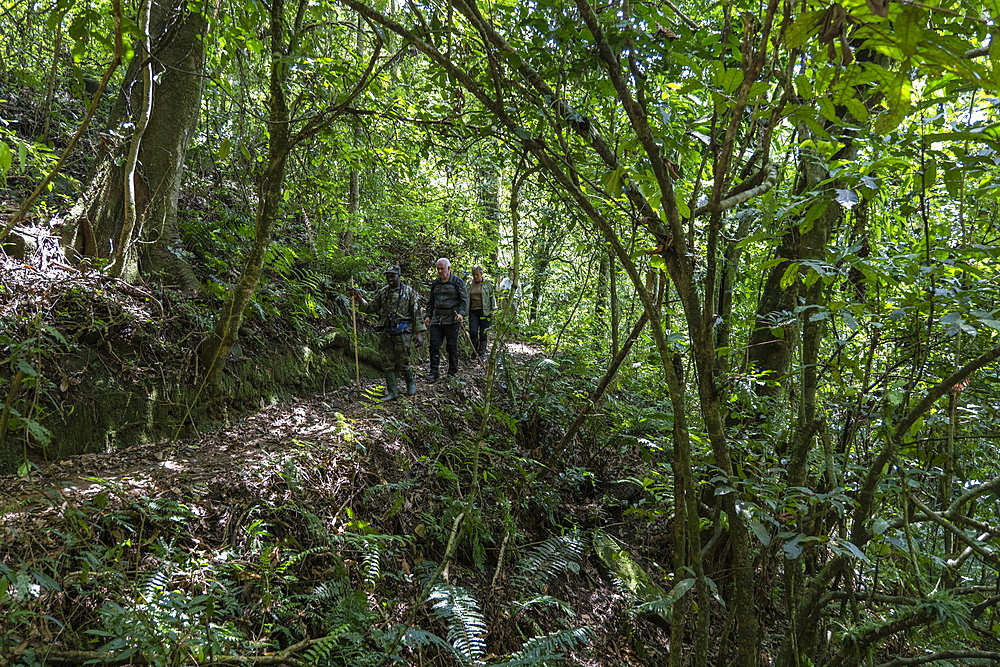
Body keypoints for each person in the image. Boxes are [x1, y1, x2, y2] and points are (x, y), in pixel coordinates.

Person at [351, 265, 425, 400]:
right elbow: (372, 307)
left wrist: (418, 333)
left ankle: (411, 384)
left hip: (403, 331)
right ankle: (392, 391)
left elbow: (416, 313)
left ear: (399, 276)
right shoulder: (383, 292)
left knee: (404, 360)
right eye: (388, 276)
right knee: (387, 361)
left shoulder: (409, 292)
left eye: (393, 276)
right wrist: (358, 298)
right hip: (386, 330)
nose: (390, 279)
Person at [423, 257, 468, 382]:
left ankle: (452, 373)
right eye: (438, 269)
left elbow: (464, 299)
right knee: (434, 345)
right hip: (437, 319)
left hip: (452, 319)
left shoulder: (457, 282)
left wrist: (461, 314)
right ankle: (433, 372)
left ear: (448, 268)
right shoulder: (435, 283)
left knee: (451, 346)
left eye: (442, 268)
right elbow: (430, 301)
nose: (439, 271)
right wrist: (428, 315)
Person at [468, 265, 495, 360]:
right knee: (473, 332)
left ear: (481, 274)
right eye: (474, 274)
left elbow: (492, 297)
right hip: (473, 311)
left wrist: (493, 310)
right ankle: (475, 351)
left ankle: (482, 353)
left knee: (483, 333)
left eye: (477, 274)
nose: (475, 276)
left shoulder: (487, 284)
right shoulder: (469, 284)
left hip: (485, 312)